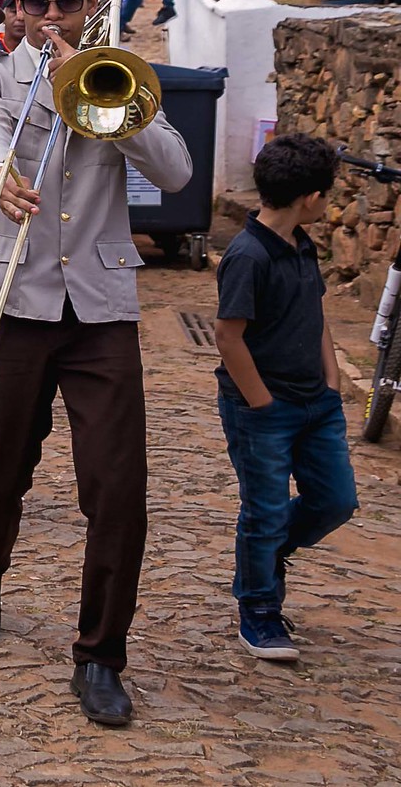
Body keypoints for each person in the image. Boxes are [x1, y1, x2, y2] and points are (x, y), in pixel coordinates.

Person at [0, 0, 192, 727]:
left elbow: (176, 169)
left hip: (99, 307)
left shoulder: (118, 73)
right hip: (12, 298)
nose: (50, 12)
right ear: (14, 7)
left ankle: (100, 655)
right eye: (35, 0)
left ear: (90, 3)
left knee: (119, 489)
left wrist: (103, 98)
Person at [214, 133, 357, 662]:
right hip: (263, 411)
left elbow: (315, 314)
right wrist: (262, 404)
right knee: (266, 511)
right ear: (311, 198)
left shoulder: (302, 243)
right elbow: (228, 335)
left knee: (335, 500)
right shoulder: (248, 256)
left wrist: (333, 380)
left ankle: (266, 555)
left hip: (318, 405)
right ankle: (259, 611)